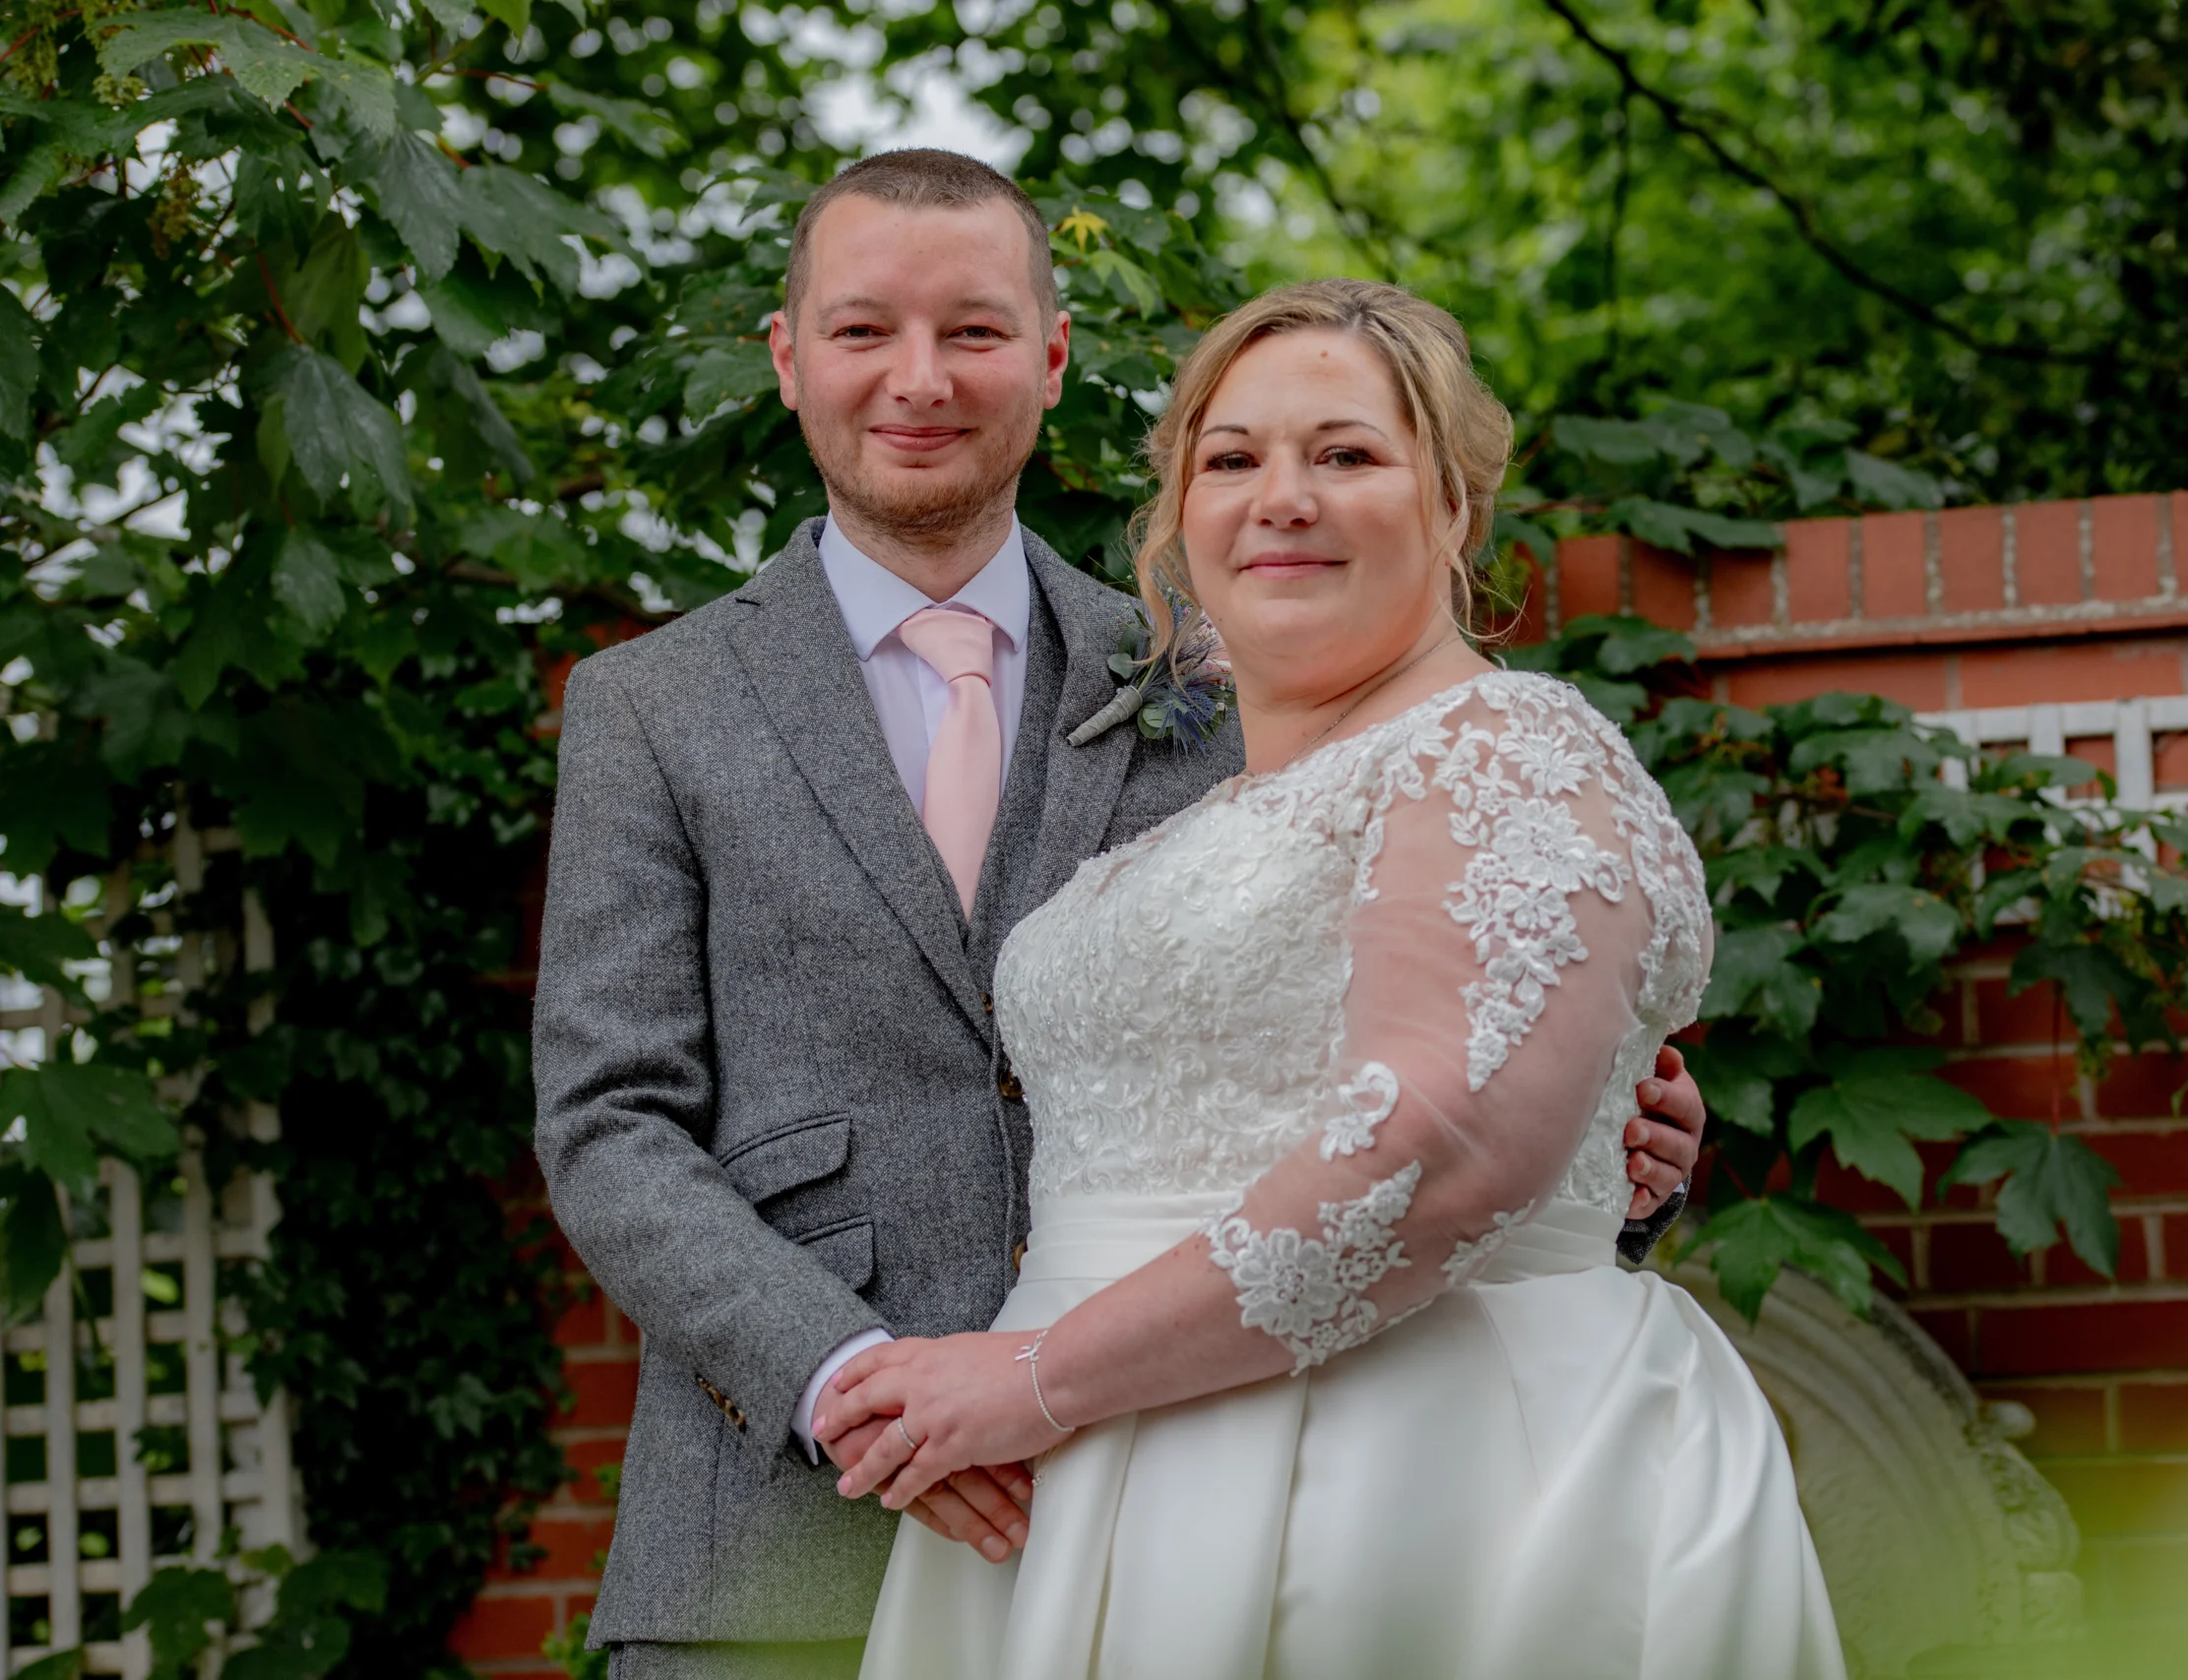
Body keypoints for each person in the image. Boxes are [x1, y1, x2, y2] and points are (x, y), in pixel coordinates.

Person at [531, 151, 1710, 1680]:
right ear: (787, 356)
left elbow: (1431, 1038)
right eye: (862, 329)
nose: (919, 379)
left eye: (972, 329)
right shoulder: (652, 704)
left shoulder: (1235, 662)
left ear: (1053, 355)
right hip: (773, 1535)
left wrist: (1607, 1136)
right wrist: (852, 1382)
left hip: (1217, 1483)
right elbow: (611, 1119)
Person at [825, 278, 1844, 1680]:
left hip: (1407, 1483)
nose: (1281, 496)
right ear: (1177, 519)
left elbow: (1441, 1152)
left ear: (1453, 509)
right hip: (1079, 1489)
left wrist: (1035, 1377)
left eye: (1347, 454)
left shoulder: (1505, 751)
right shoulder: (1199, 818)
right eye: (1231, 458)